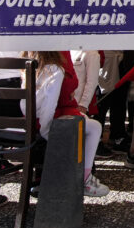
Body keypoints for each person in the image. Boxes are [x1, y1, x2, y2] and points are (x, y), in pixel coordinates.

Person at [25, 51, 110, 198]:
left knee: (92, 126)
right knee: (94, 128)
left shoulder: (33, 56)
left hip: (47, 113)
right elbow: (49, 107)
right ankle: (84, 178)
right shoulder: (56, 67)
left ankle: (82, 177)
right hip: (51, 117)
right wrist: (47, 132)